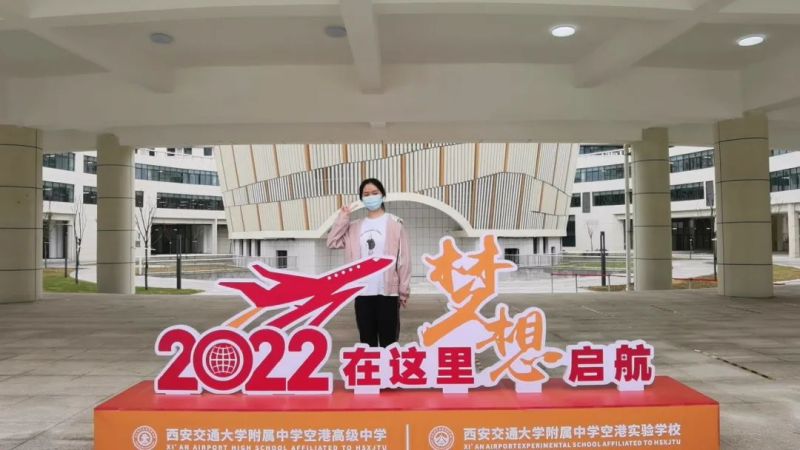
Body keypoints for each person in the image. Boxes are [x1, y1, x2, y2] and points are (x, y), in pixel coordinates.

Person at [326, 178, 410, 347]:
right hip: (362, 292)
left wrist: (403, 290)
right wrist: (343, 217)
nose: (371, 197)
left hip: (388, 293)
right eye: (366, 194)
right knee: (367, 342)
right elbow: (332, 242)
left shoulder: (395, 224)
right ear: (362, 199)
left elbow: (404, 259)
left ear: (382, 195)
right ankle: (371, 365)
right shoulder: (354, 227)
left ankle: (388, 366)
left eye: (374, 193)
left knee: (389, 343)